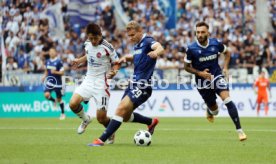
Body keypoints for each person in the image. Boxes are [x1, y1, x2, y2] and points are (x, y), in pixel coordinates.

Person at [88, 20, 164, 146]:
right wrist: (127, 58)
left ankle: (101, 139)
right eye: (128, 36)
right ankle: (150, 122)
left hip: (143, 84)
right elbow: (139, 56)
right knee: (126, 116)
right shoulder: (138, 45)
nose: (130, 38)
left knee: (121, 109)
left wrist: (156, 53)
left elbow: (160, 47)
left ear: (140, 31)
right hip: (133, 83)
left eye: (133, 35)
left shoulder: (148, 41)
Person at [184, 22, 247, 141]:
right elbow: (186, 67)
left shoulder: (215, 43)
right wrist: (200, 73)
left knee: (227, 99)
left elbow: (227, 53)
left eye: (202, 32)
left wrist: (226, 68)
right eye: (198, 32)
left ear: (208, 32)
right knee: (215, 111)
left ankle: (240, 131)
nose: (200, 34)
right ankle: (209, 110)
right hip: (202, 81)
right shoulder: (191, 49)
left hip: (217, 75)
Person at [69, 23, 120, 144]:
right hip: (88, 80)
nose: (92, 41)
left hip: (101, 84)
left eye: (95, 38)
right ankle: (85, 119)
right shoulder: (87, 44)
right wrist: (79, 60)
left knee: (101, 118)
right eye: (90, 38)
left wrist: (114, 72)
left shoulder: (107, 47)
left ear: (100, 35)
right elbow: (88, 55)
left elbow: (117, 62)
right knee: (72, 104)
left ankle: (110, 132)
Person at [42, 48, 65, 120]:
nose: (51, 53)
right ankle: (53, 100)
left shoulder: (59, 62)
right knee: (46, 95)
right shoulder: (47, 61)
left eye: (52, 52)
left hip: (58, 83)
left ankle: (62, 114)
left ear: (55, 53)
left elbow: (62, 72)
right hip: (49, 82)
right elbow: (46, 71)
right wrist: (44, 76)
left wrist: (55, 72)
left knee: (59, 99)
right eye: (50, 52)